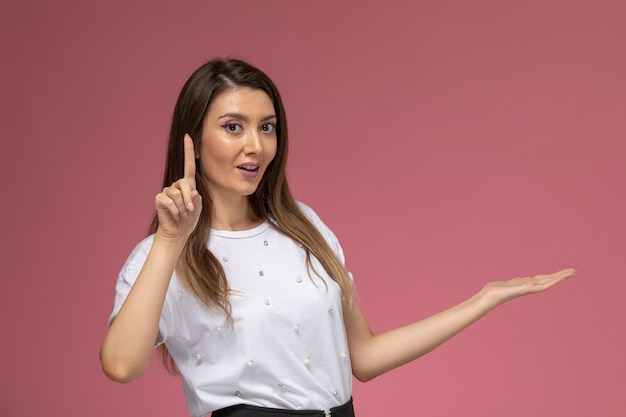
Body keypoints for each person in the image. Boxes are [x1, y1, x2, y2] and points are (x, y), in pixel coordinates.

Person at [100, 58, 575, 417]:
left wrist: (484, 299)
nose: (255, 146)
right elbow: (121, 365)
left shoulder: (304, 225)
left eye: (267, 127)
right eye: (232, 127)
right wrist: (170, 241)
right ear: (192, 141)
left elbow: (363, 356)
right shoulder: (163, 253)